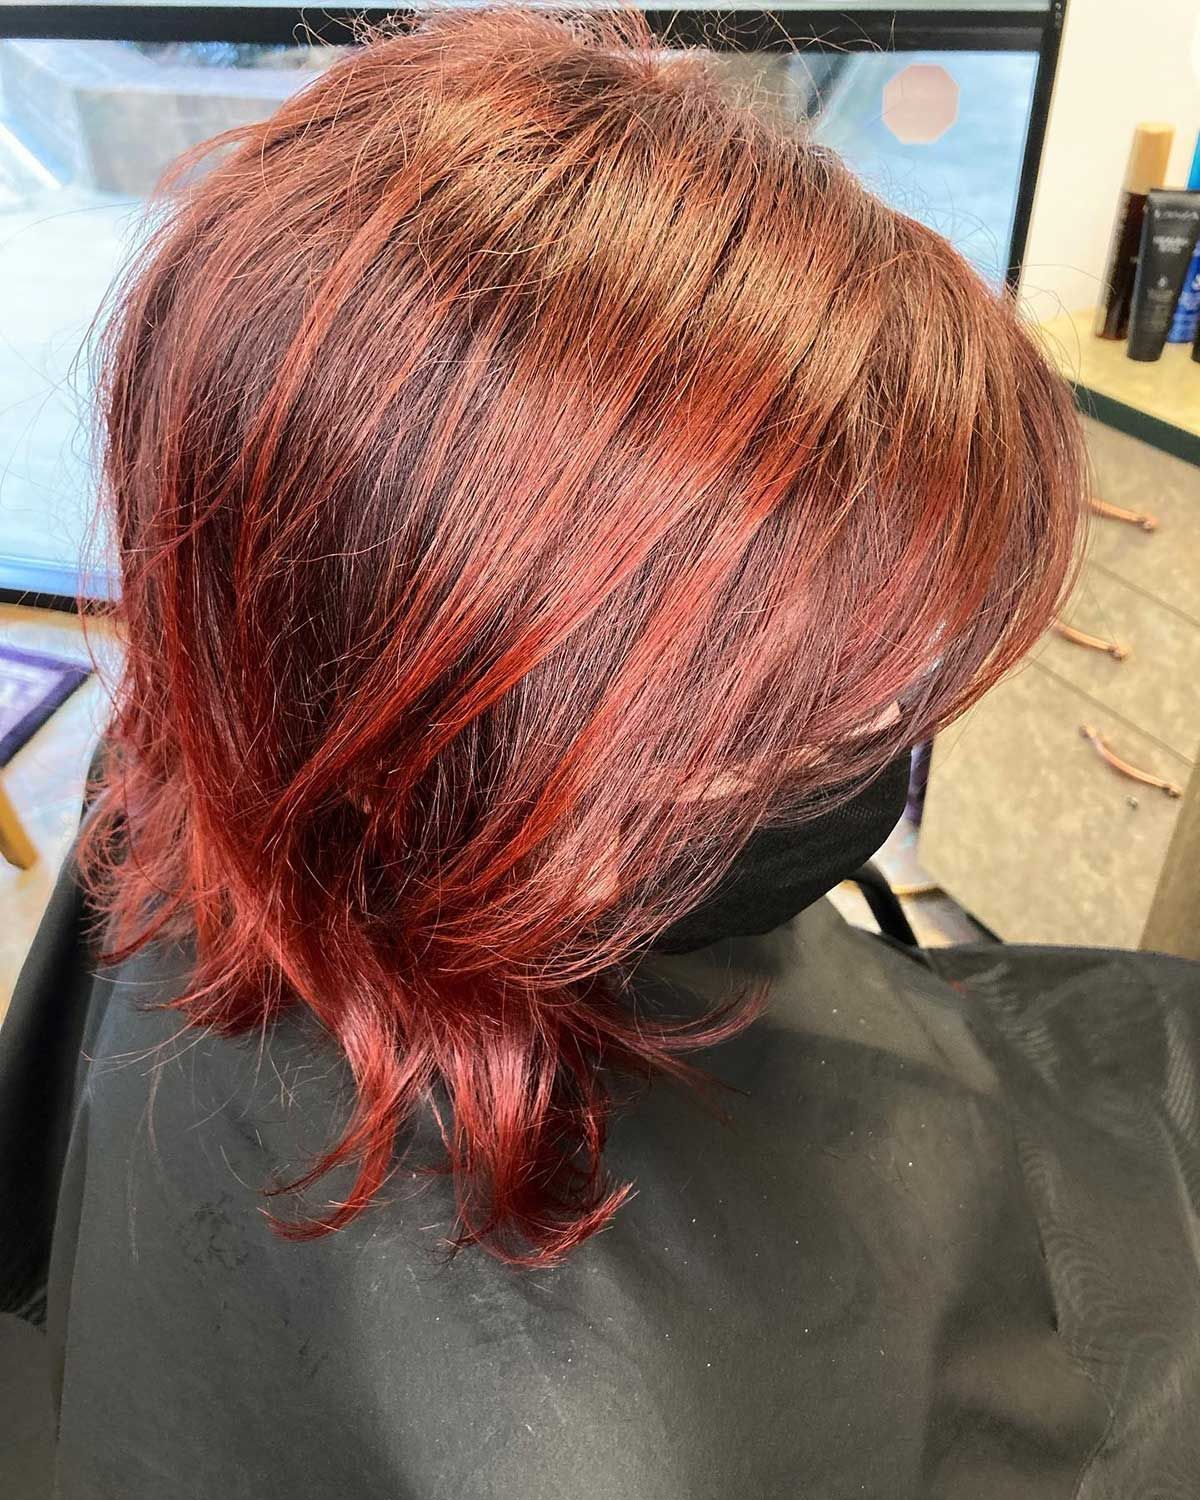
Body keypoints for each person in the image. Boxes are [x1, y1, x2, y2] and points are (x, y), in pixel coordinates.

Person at [2, 10, 1198, 1497]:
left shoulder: (231, 730)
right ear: (486, 713)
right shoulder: (608, 1438)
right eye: (827, 706)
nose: (887, 732)